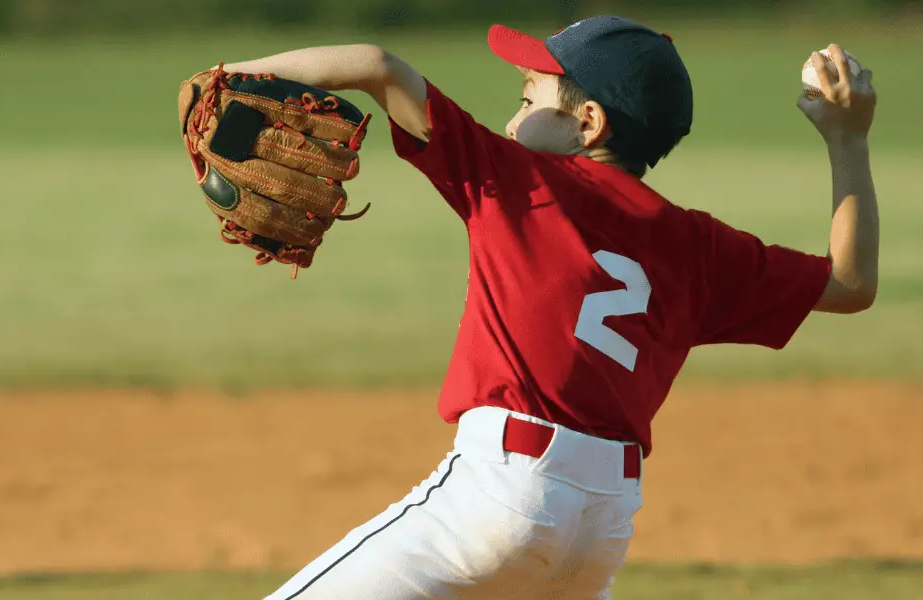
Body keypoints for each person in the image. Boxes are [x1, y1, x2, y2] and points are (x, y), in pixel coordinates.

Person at [222, 15, 880, 600]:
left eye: (528, 97)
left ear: (588, 123)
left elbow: (376, 65)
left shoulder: (519, 180)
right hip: (601, 529)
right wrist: (847, 139)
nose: (512, 120)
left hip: (498, 499)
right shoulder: (700, 246)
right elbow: (851, 285)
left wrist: (224, 81)